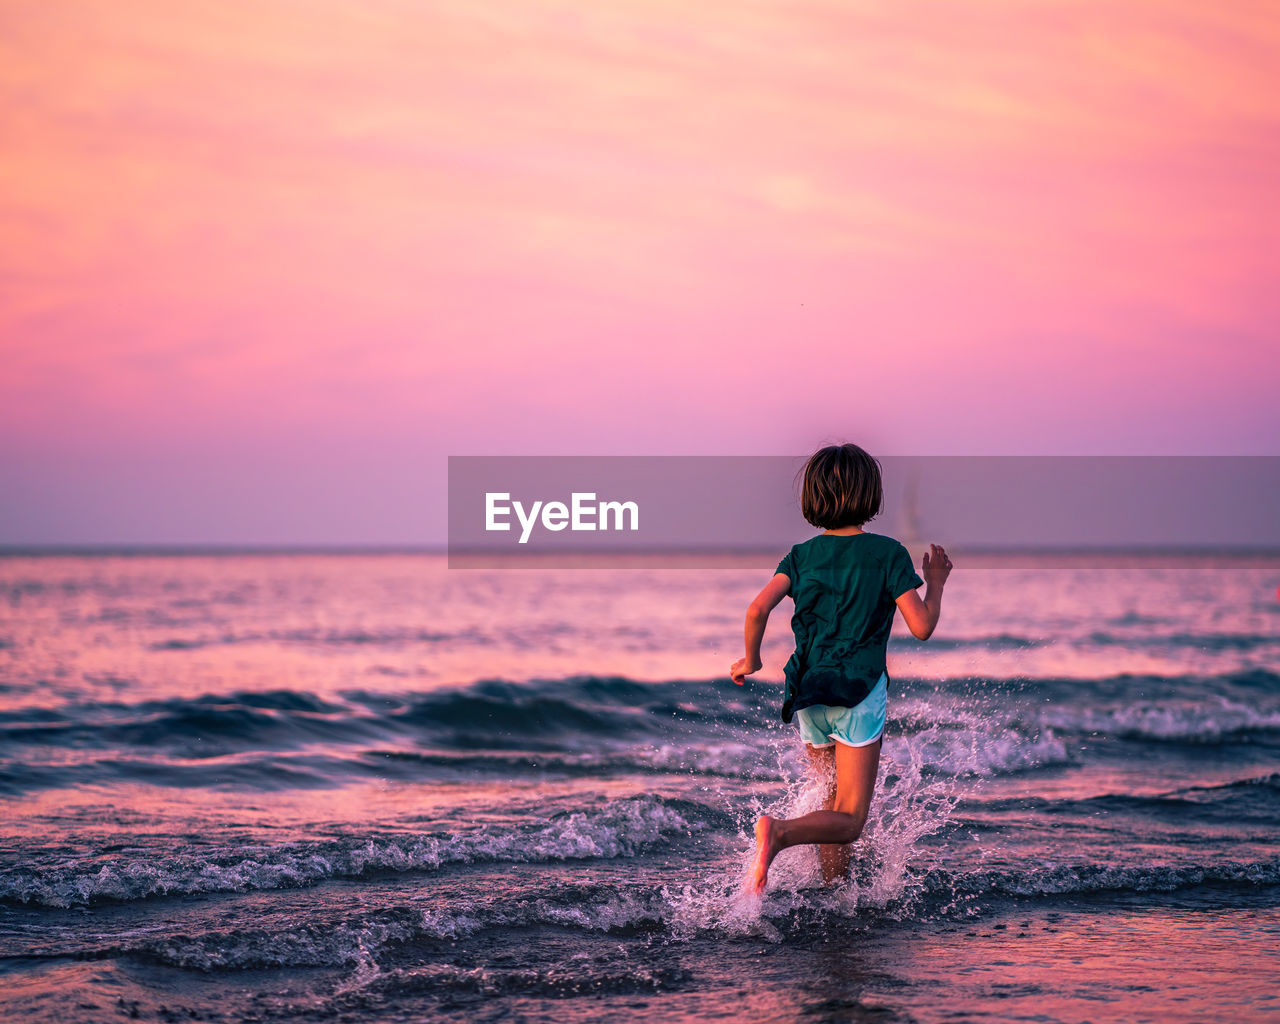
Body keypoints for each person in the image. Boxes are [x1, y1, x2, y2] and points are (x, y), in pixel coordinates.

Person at [729, 443, 952, 894]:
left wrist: (751, 660)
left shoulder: (801, 555)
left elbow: (756, 610)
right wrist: (937, 584)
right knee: (850, 819)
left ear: (812, 497)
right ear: (870, 495)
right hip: (858, 693)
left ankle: (835, 892)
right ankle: (781, 833)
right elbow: (923, 626)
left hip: (808, 691)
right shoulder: (887, 554)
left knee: (830, 798)